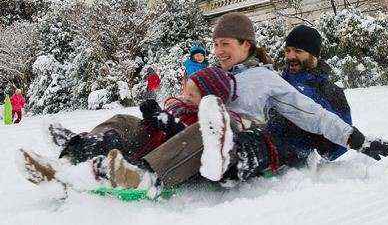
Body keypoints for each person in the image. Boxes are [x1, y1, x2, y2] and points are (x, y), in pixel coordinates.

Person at [20, 13, 388, 194]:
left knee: (206, 124)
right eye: (215, 45)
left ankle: (145, 176)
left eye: (226, 45)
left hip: (229, 136)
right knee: (127, 119)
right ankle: (74, 156)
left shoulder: (268, 79)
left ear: (246, 46)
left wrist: (358, 141)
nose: (218, 51)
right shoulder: (212, 76)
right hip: (192, 129)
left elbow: (312, 114)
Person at [20, 66, 244, 190]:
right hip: (142, 149)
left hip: (160, 164)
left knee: (195, 134)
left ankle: (138, 176)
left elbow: (192, 145)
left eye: (192, 94)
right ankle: (76, 152)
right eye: (186, 90)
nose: (184, 96)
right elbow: (154, 131)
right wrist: (152, 118)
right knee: (123, 119)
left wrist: (169, 125)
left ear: (208, 99)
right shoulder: (179, 107)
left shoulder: (212, 122)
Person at [267, 24, 352, 162]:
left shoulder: (331, 92)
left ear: (313, 54)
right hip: (260, 143)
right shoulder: (277, 82)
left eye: (298, 51)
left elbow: (337, 148)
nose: (291, 56)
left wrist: (311, 134)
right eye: (287, 51)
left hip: (289, 159)